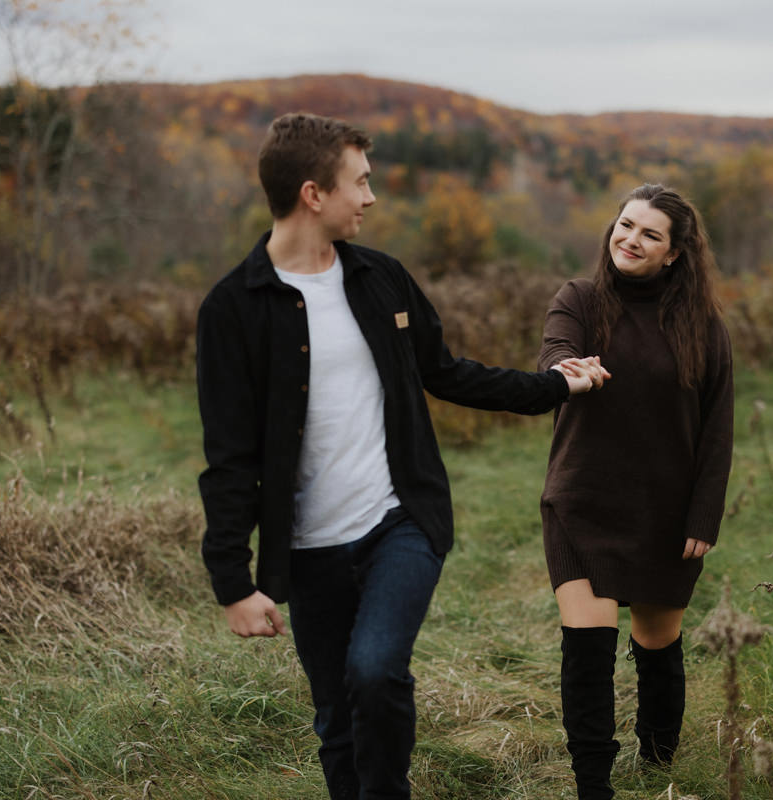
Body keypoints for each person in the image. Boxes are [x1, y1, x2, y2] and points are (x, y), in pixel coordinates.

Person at [195, 112, 607, 800]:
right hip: (306, 551)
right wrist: (233, 581)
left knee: (376, 670)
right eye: (359, 181)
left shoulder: (381, 279)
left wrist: (552, 386)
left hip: (400, 522)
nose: (371, 196)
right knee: (337, 720)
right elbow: (229, 457)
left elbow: (445, 372)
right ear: (312, 194)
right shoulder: (233, 309)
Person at [538, 184, 734, 798]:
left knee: (657, 643)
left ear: (674, 253)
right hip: (581, 497)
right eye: (625, 225)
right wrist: (569, 368)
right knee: (589, 648)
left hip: (665, 509)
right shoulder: (580, 299)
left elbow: (717, 429)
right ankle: (593, 783)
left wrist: (703, 514)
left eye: (650, 234)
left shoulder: (701, 326)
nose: (631, 239)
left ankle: (657, 765)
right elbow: (556, 348)